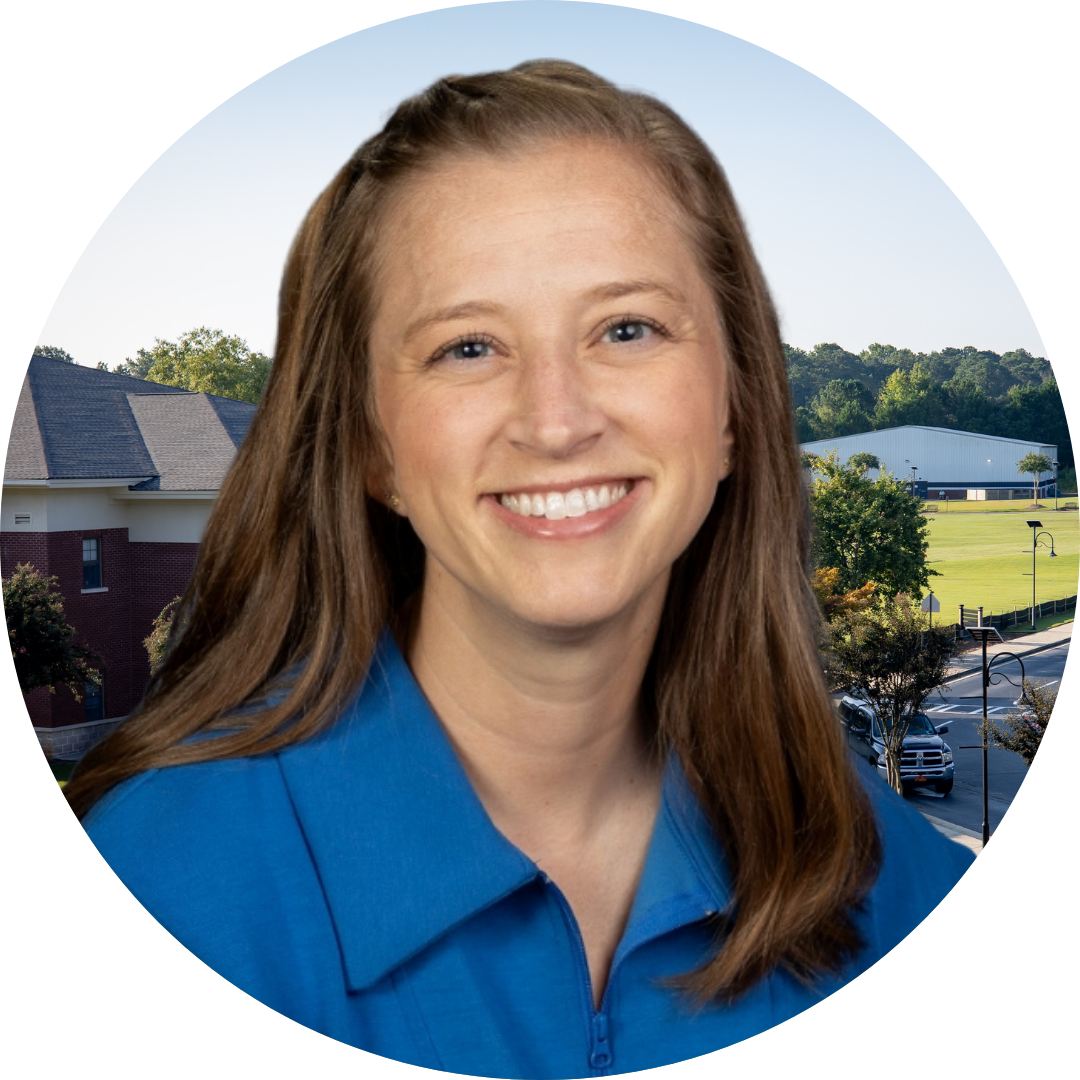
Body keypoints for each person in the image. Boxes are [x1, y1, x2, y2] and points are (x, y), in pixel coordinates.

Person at [66, 60, 972, 1074]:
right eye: (467, 347)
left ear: (734, 408)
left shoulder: (895, 887)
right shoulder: (164, 875)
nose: (557, 420)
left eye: (627, 328)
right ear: (372, 447)